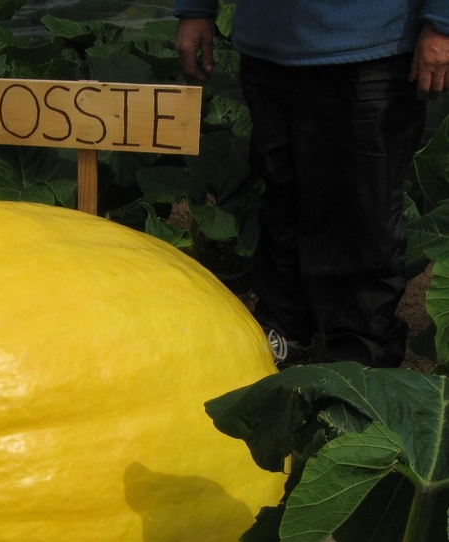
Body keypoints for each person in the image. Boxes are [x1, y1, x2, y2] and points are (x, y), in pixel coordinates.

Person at [173, 1, 449, 367]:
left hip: (372, 45)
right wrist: (195, 8)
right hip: (268, 44)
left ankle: (360, 354)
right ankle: (284, 327)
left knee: (364, 211)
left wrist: (443, 22)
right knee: (280, 197)